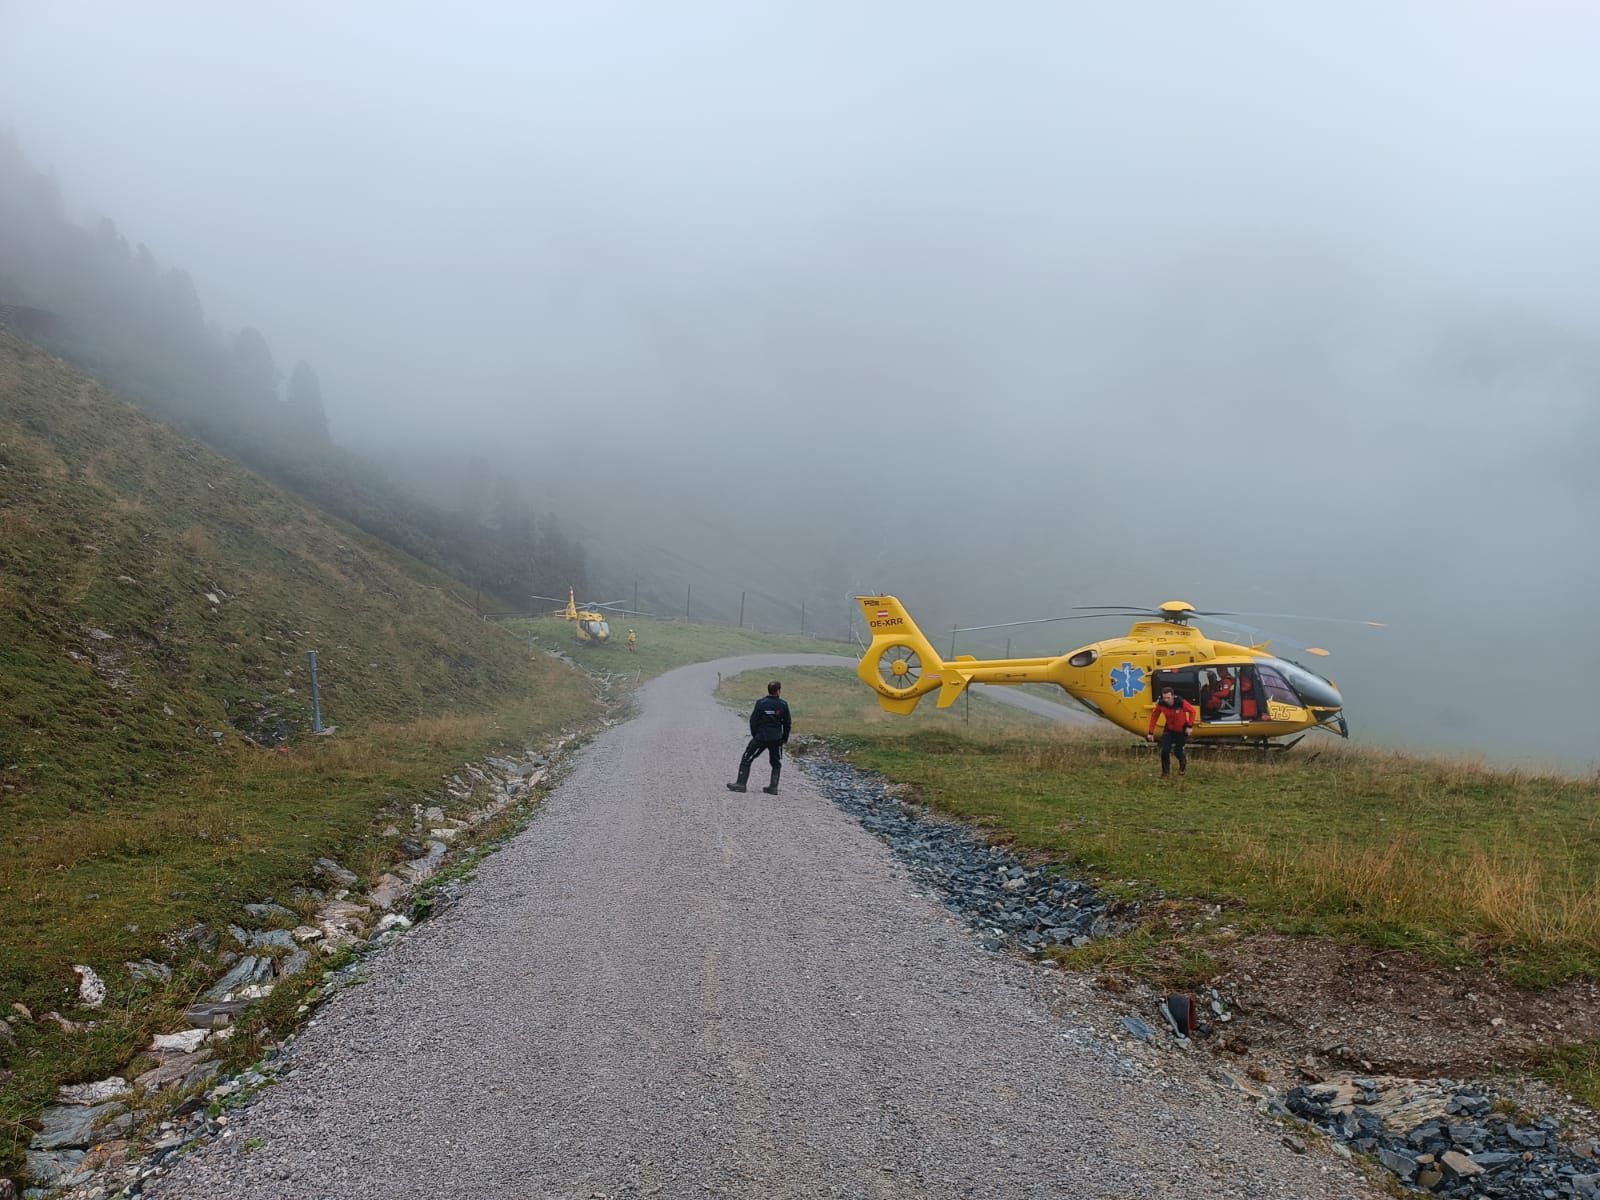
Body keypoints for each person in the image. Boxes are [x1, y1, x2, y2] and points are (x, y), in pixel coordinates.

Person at [728, 680, 790, 794]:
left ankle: (741, 784)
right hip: (776, 738)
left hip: (761, 737)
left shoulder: (761, 703)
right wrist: (784, 739)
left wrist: (755, 734)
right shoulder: (783, 704)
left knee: (747, 758)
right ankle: (773, 787)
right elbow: (787, 723)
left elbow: (753, 721)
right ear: (778, 691)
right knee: (776, 762)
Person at [1147, 686, 1198, 777]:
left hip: (1181, 730)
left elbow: (1193, 712)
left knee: (1178, 751)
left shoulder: (1181, 703)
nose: (1166, 700)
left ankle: (1182, 765)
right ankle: (1165, 773)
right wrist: (1150, 732)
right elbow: (1154, 716)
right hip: (1169, 729)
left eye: (1168, 698)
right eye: (1164, 698)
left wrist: (1189, 726)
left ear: (1173, 696)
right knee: (1164, 751)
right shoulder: (1161, 704)